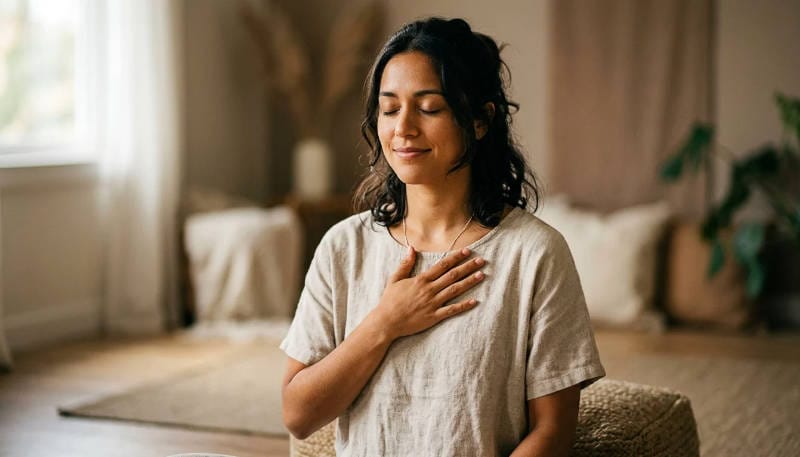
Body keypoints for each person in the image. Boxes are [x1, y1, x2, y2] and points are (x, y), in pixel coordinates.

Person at [280, 17, 605, 457]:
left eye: (429, 108)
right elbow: (298, 416)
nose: (403, 128)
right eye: (389, 108)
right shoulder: (343, 247)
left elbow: (553, 432)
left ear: (479, 120)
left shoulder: (534, 253)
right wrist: (384, 323)